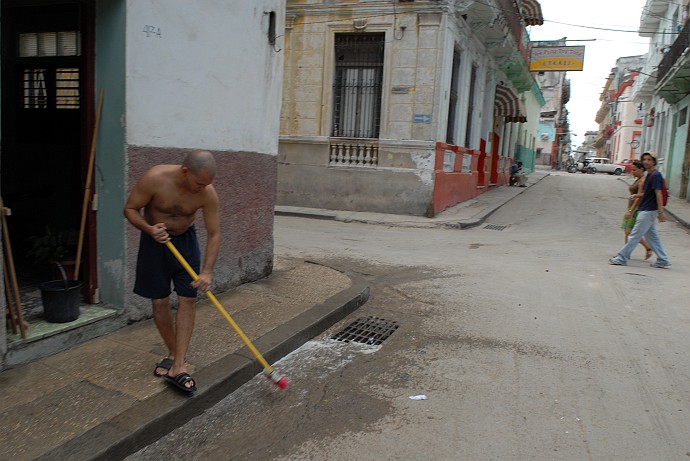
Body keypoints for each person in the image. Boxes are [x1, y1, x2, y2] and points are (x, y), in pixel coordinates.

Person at [124, 150, 220, 393]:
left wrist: (207, 272)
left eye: (207, 184)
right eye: (199, 183)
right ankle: (173, 354)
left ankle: (178, 365)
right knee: (159, 302)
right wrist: (149, 229)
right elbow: (131, 209)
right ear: (185, 171)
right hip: (155, 243)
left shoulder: (207, 193)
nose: (203, 189)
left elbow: (214, 233)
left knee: (188, 299)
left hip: (185, 244)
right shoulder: (155, 178)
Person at [609, 151, 670, 268]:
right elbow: (647, 193)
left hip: (648, 211)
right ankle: (663, 259)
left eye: (649, 160)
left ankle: (622, 257)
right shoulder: (649, 175)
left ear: (654, 162)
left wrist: (661, 211)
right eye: (644, 159)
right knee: (652, 236)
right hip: (646, 209)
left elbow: (658, 193)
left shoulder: (656, 175)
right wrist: (637, 195)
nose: (646, 162)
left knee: (635, 235)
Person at [620, 160, 653, 261]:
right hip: (631, 207)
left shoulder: (642, 181)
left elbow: (639, 198)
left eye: (634, 170)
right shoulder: (638, 179)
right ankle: (626, 253)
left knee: (630, 231)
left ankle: (627, 253)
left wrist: (631, 211)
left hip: (635, 209)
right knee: (627, 231)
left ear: (641, 169)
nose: (632, 172)